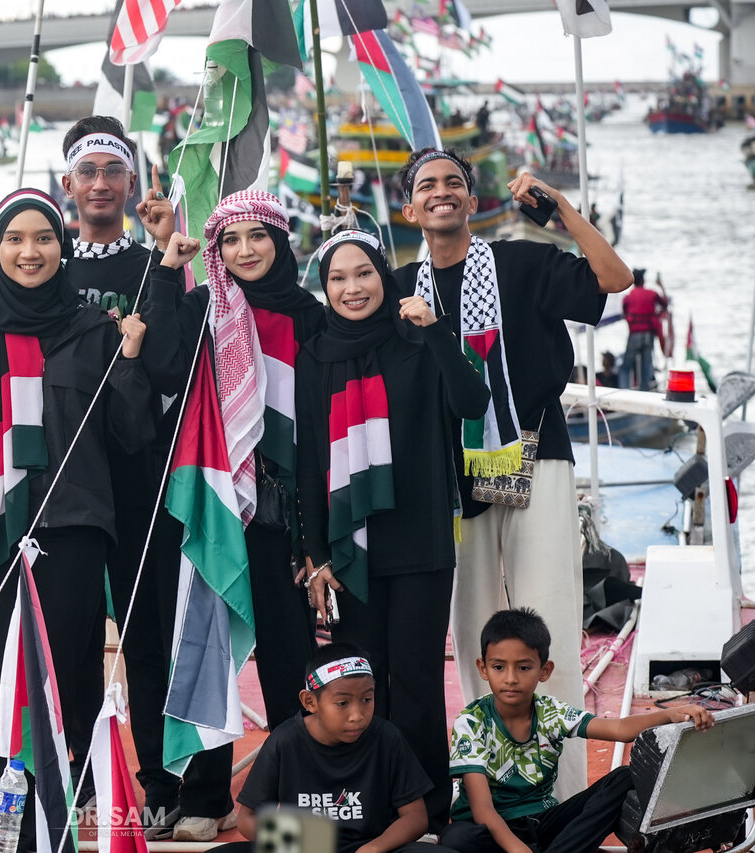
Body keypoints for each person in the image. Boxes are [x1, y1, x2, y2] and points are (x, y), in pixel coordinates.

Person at [0, 188, 155, 849]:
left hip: (72, 528)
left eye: (43, 237)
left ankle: (59, 827)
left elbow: (132, 433)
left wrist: (132, 360)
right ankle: (7, 835)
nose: (29, 251)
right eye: (14, 239)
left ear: (62, 246)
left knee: (65, 685)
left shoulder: (95, 330)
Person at [396, 148, 633, 800]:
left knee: (547, 621)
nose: (441, 191)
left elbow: (615, 277)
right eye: (427, 185)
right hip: (450, 470)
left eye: (453, 182)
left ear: (473, 201)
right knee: (475, 631)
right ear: (410, 209)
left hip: (533, 449)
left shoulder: (521, 263)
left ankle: (564, 796)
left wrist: (561, 210)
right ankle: (489, 791)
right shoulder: (399, 289)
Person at [60, 115, 235, 841]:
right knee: (98, 640)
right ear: (68, 183)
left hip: (152, 473)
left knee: (169, 630)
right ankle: (107, 780)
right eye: (88, 171)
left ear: (131, 181)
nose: (100, 184)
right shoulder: (43, 263)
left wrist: (171, 257)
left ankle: (190, 787)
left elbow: (176, 361)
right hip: (75, 480)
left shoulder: (159, 261)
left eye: (113, 170)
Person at [298, 230, 490, 832]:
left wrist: (437, 331)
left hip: (420, 541)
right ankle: (373, 807)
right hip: (351, 546)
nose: (352, 288)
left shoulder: (418, 340)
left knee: (415, 682)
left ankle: (428, 810)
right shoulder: (315, 355)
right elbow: (309, 460)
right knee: (361, 683)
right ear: (325, 287)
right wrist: (315, 554)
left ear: (385, 277)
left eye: (364, 274)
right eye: (337, 278)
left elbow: (472, 401)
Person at [142, 191, 325, 747]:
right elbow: (163, 369)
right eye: (230, 240)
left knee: (290, 653)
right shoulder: (204, 307)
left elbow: (318, 426)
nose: (244, 250)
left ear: (280, 241)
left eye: (257, 236)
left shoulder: (309, 314)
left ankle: (298, 776)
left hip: (282, 512)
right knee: (206, 646)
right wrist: (168, 271)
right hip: (213, 501)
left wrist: (313, 538)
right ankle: (206, 787)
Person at [442, 608, 715, 853]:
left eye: (523, 667)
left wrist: (669, 714)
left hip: (542, 823)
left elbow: (619, 729)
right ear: (483, 669)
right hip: (492, 831)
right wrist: (518, 850)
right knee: (456, 838)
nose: (511, 678)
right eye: (499, 667)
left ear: (544, 670)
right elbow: (482, 809)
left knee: (624, 777)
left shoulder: (551, 712)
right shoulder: (472, 722)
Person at [218, 643, 459, 853]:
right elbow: (248, 819)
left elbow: (416, 817)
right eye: (343, 703)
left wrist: (375, 848)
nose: (357, 715)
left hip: (370, 846)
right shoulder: (284, 741)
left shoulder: (387, 738)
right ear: (310, 702)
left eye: (367, 699)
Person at [618, 268, 668, 391]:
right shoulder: (652, 294)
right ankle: (644, 391)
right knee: (646, 365)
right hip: (648, 334)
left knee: (626, 366)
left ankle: (623, 390)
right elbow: (665, 303)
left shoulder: (628, 297)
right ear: (643, 280)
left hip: (635, 334)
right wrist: (661, 286)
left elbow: (624, 313)